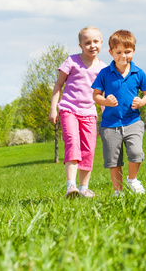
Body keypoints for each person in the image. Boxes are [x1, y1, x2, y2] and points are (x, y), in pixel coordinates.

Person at [91, 29, 146, 196]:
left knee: (136, 153)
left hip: (133, 121)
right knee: (113, 160)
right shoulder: (105, 73)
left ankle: (132, 180)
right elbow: (95, 95)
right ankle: (118, 191)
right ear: (111, 52)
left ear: (133, 51)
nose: (123, 56)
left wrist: (142, 101)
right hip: (110, 125)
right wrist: (105, 101)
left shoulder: (138, 72)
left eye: (127, 51)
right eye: (118, 52)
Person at [49, 26, 106, 198]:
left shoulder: (104, 68)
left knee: (89, 150)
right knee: (73, 144)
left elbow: (102, 95)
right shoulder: (71, 61)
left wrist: (107, 115)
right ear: (80, 45)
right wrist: (53, 108)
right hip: (69, 109)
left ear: (101, 43)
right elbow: (58, 85)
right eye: (87, 42)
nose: (92, 45)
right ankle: (71, 186)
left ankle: (84, 188)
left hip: (89, 112)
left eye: (95, 41)